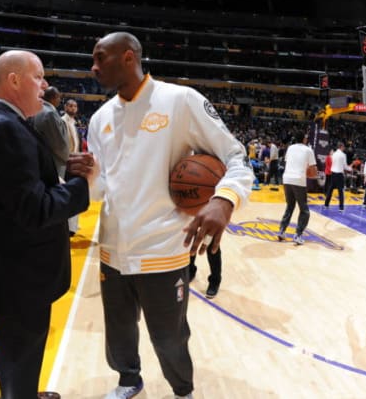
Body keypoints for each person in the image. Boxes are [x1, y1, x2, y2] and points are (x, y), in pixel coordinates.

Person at [88, 32, 253, 399]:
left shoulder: (180, 101)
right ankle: (128, 380)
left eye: (101, 58)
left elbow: (236, 159)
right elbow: (99, 190)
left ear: (128, 57)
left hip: (164, 249)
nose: (93, 67)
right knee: (118, 330)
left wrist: (223, 199)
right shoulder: (99, 119)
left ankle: (183, 390)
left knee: (169, 336)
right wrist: (85, 178)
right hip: (112, 249)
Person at [0, 50, 91, 399]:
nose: (45, 84)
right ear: (14, 80)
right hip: (21, 276)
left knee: (16, 354)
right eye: (39, 76)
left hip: (5, 270)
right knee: (22, 355)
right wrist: (82, 184)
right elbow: (36, 209)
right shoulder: (6, 130)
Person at [278, 133, 317, 245]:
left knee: (290, 206)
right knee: (305, 210)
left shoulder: (290, 148)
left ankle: (281, 231)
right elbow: (313, 170)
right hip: (299, 180)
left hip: (287, 179)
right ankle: (298, 235)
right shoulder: (308, 150)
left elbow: (287, 162)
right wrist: (312, 175)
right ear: (304, 139)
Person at [30, 86, 69, 177]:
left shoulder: (38, 110)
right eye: (59, 97)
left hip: (40, 161)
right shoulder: (50, 114)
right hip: (54, 163)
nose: (60, 100)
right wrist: (68, 159)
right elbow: (59, 145)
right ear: (53, 98)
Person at [61, 98, 81, 236]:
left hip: (73, 162)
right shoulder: (63, 121)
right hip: (66, 163)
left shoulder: (74, 123)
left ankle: (72, 226)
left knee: (74, 194)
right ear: (65, 107)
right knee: (68, 194)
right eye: (70, 105)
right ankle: (68, 227)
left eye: (74, 106)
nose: (72, 108)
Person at [323, 142, 350, 212]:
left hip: (333, 174)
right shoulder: (343, 155)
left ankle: (326, 204)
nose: (344, 148)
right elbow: (345, 166)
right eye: (343, 147)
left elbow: (333, 163)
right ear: (341, 147)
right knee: (340, 191)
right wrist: (350, 168)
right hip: (339, 175)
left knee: (330, 189)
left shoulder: (333, 154)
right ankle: (341, 208)